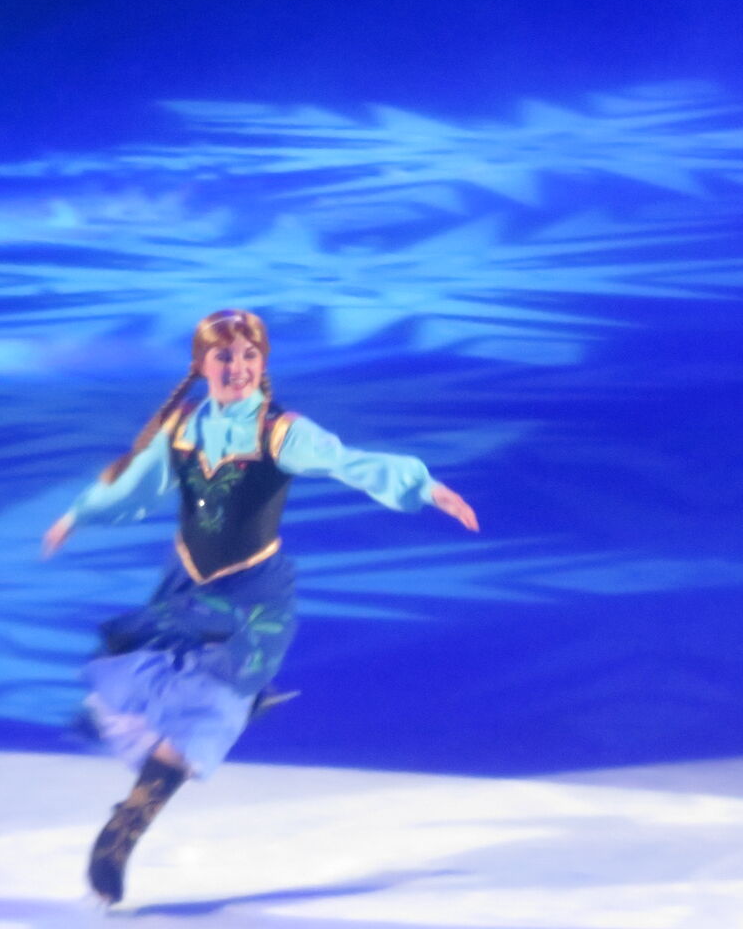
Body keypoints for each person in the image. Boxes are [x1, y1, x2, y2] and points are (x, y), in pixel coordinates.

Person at [41, 309, 479, 906]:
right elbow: (136, 486)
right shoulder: (182, 428)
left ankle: (125, 829)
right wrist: (79, 514)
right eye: (224, 356)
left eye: (250, 355)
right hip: (186, 588)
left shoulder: (279, 432)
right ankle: (138, 811)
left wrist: (423, 486)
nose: (238, 367)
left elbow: (347, 461)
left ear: (262, 363)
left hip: (253, 600)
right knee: (152, 684)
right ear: (201, 364)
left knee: (213, 705)